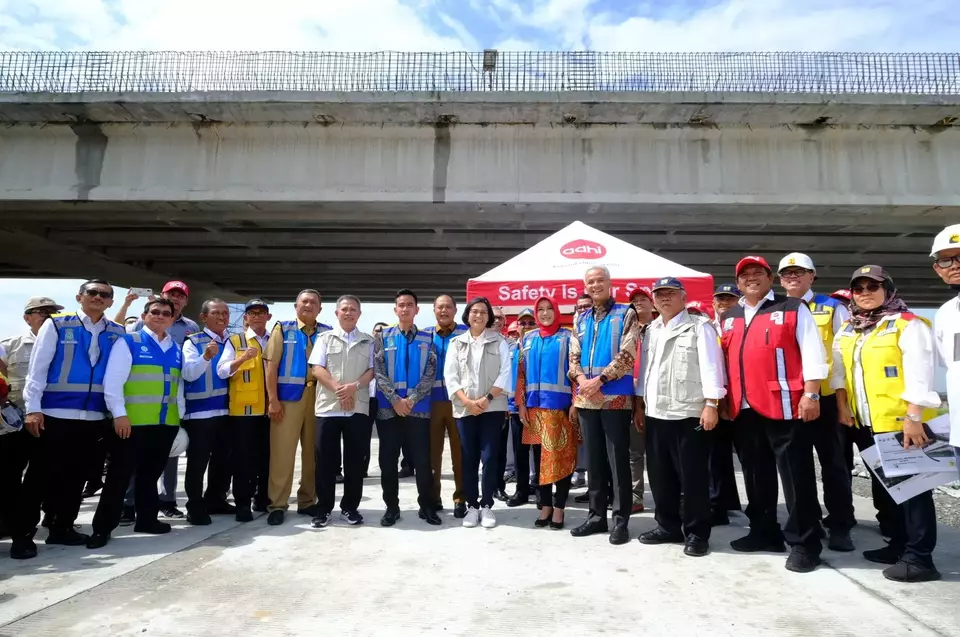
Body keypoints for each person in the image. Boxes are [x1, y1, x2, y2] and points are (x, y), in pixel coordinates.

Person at [833, 265, 942, 583]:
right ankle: (898, 544)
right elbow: (840, 374)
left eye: (873, 286)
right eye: (859, 288)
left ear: (888, 289)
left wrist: (913, 418)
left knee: (915, 492)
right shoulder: (851, 329)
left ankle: (921, 558)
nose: (865, 292)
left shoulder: (908, 324)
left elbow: (921, 375)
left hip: (903, 424)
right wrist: (843, 407)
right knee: (891, 491)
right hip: (867, 423)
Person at [719, 256, 828, 573]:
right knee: (755, 475)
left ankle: (805, 543)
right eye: (744, 274)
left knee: (797, 478)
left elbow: (812, 352)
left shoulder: (792, 308)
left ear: (770, 279)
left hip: (786, 407)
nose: (751, 278)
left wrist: (811, 393)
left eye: (758, 273)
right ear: (738, 282)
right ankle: (764, 531)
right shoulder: (729, 316)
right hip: (745, 408)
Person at [18, 280, 125, 552]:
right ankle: (23, 535)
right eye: (92, 293)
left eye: (105, 295)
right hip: (53, 414)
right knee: (39, 477)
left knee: (76, 477)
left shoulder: (117, 332)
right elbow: (37, 369)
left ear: (111, 302)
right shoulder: (56, 325)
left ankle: (62, 527)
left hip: (92, 417)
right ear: (80, 297)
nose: (98, 298)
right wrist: (33, 408)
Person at [635, 278, 726, 557]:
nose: (664, 298)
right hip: (656, 413)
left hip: (689, 413)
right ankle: (668, 526)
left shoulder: (700, 327)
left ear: (683, 297)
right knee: (662, 477)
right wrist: (640, 404)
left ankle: (698, 532)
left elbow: (713, 366)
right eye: (660, 294)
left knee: (693, 478)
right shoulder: (650, 330)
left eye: (671, 293)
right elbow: (646, 370)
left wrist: (712, 403)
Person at [88, 297, 185, 548]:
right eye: (155, 312)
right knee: (119, 477)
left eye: (166, 313)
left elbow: (177, 388)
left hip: (164, 424)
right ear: (144, 316)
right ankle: (102, 527)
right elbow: (113, 382)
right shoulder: (129, 342)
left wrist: (179, 422)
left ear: (173, 319)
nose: (160, 316)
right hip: (131, 423)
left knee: (149, 475)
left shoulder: (174, 347)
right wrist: (119, 415)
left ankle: (147, 520)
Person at [777, 252, 856, 552]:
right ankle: (806, 521)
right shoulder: (778, 308)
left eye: (799, 272)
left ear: (813, 276)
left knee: (834, 464)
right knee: (794, 468)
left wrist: (841, 400)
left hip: (823, 399)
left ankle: (840, 524)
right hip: (787, 401)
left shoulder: (833, 307)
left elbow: (842, 355)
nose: (792, 277)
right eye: (787, 273)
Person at [568, 266, 640, 546]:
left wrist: (600, 380)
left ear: (610, 283)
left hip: (615, 398)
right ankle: (596, 516)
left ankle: (620, 520)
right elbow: (573, 355)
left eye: (600, 280)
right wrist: (584, 381)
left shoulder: (626, 313)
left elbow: (628, 352)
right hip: (587, 399)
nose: (595, 285)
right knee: (595, 462)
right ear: (585, 286)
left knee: (617, 462)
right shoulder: (581, 317)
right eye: (590, 281)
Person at [121, 281, 200, 520]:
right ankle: (128, 504)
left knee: (169, 456)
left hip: (171, 405)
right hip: (138, 411)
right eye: (171, 295)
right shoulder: (137, 331)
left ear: (185, 301)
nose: (175, 300)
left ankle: (167, 501)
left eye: (180, 296)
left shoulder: (190, 328)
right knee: (136, 463)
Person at [1, 296, 64, 559]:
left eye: (53, 312)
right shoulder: (10, 346)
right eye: (42, 312)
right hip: (15, 426)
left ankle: (24, 535)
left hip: (51, 422)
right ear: (27, 317)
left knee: (39, 480)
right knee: (9, 480)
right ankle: (10, 525)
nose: (48, 316)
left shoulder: (66, 345)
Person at [263, 289, 331, 526]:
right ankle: (278, 504)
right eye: (304, 302)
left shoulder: (326, 333)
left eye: (313, 302)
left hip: (318, 398)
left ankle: (307, 501)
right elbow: (271, 366)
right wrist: (272, 399)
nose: (308, 305)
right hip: (287, 399)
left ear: (320, 309)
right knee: (282, 453)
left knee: (313, 452)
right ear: (295, 306)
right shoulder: (283, 328)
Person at [374, 289, 440, 527]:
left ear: (416, 309)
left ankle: (427, 507)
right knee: (388, 461)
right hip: (387, 409)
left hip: (418, 408)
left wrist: (410, 399)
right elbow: (378, 371)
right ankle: (391, 507)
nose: (404, 308)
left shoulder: (427, 338)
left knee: (423, 461)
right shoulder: (383, 337)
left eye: (409, 305)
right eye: (401, 305)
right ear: (395, 309)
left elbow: (430, 373)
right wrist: (394, 400)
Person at [445, 296, 511, 529]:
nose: (479, 315)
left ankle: (487, 505)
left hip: (492, 407)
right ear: (467, 315)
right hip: (465, 409)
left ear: (489, 316)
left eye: (484, 312)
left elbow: (505, 373)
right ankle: (472, 506)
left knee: (490, 456)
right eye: (474, 311)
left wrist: (486, 399)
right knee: (468, 458)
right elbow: (450, 377)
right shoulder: (456, 343)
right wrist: (467, 402)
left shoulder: (499, 341)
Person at [309, 295, 375, 527]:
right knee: (325, 462)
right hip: (328, 408)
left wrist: (353, 388)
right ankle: (323, 509)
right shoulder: (325, 338)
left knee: (355, 462)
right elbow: (317, 369)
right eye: (344, 309)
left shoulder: (368, 341)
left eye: (353, 309)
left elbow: (371, 371)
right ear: (337, 313)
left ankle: (350, 508)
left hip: (357, 408)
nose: (348, 313)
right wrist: (340, 390)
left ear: (359, 313)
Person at [516, 295, 578, 529]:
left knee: (560, 460)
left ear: (556, 311)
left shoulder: (568, 337)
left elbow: (575, 371)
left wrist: (575, 402)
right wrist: (520, 403)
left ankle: (559, 509)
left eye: (548, 309)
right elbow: (520, 374)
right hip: (534, 409)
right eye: (540, 310)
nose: (544, 313)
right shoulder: (528, 339)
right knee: (539, 459)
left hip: (560, 409)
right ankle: (545, 507)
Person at [217, 299, 273, 520]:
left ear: (268, 317)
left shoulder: (275, 340)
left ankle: (263, 498)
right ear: (246, 318)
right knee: (243, 460)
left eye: (261, 312)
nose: (256, 316)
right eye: (252, 313)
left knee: (267, 458)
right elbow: (222, 371)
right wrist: (241, 359)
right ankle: (242, 503)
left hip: (270, 411)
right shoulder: (235, 340)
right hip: (244, 412)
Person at [181, 299, 234, 525]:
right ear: (204, 317)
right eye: (216, 313)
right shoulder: (193, 342)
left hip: (227, 411)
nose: (221, 317)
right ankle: (194, 505)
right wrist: (205, 357)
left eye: (225, 313)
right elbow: (189, 373)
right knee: (197, 462)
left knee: (224, 461)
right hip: (200, 414)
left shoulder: (234, 341)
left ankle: (216, 499)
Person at [423, 295, 468, 517]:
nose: (444, 311)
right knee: (432, 455)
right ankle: (433, 498)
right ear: (433, 310)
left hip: (459, 403)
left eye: (448, 307)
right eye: (439, 307)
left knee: (461, 455)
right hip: (431, 403)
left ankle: (461, 498)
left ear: (455, 309)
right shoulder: (425, 335)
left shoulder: (466, 334)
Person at [626, 286, 655, 515]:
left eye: (643, 298)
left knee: (659, 452)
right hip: (631, 396)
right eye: (634, 300)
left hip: (657, 396)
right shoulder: (629, 330)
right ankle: (636, 496)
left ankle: (670, 495)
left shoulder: (661, 327)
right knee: (634, 452)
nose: (638, 302)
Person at [931, 225, 960, 450]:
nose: (954, 265)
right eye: (946, 260)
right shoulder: (945, 313)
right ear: (937, 269)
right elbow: (950, 367)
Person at [506, 309, 539, 507]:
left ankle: (539, 487)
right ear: (516, 327)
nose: (526, 326)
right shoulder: (510, 349)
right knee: (520, 452)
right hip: (515, 408)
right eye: (523, 323)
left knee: (538, 451)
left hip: (536, 407)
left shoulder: (537, 346)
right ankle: (522, 490)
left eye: (530, 323)